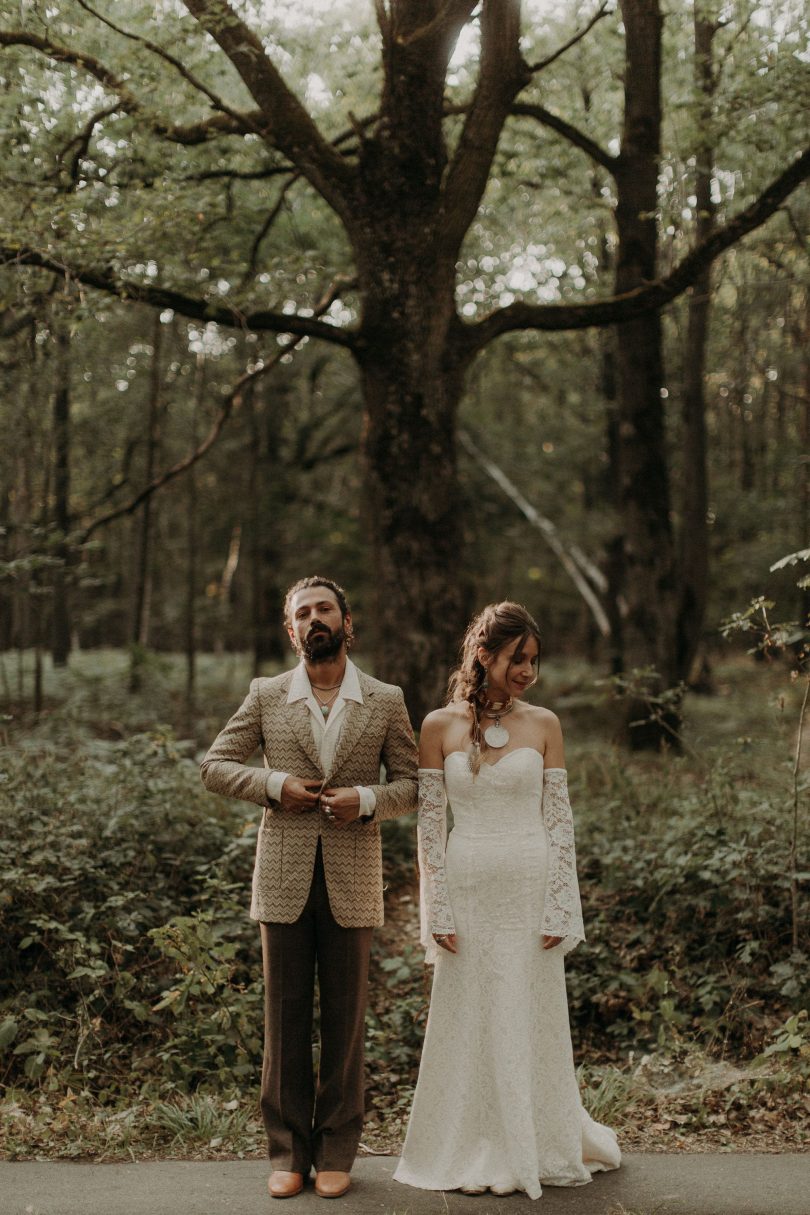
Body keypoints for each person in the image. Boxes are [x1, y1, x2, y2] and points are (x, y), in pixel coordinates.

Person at [201, 576, 418, 1201]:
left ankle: (337, 1149)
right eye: (303, 612)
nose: (314, 619)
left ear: (347, 622)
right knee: (285, 1017)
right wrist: (274, 786)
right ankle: (288, 1152)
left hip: (353, 876)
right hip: (283, 878)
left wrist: (368, 799)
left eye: (325, 609)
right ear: (290, 629)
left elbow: (414, 782)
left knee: (346, 1020)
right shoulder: (267, 695)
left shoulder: (384, 698)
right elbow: (215, 765)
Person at [394, 602, 620, 1200]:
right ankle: (469, 1141)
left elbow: (559, 821)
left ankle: (540, 1139)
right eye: (518, 658)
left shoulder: (544, 723)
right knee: (469, 1010)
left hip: (528, 885)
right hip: (467, 889)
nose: (528, 671)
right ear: (484, 655)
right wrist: (434, 909)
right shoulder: (438, 726)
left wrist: (560, 906)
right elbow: (429, 827)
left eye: (534, 660)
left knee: (530, 1010)